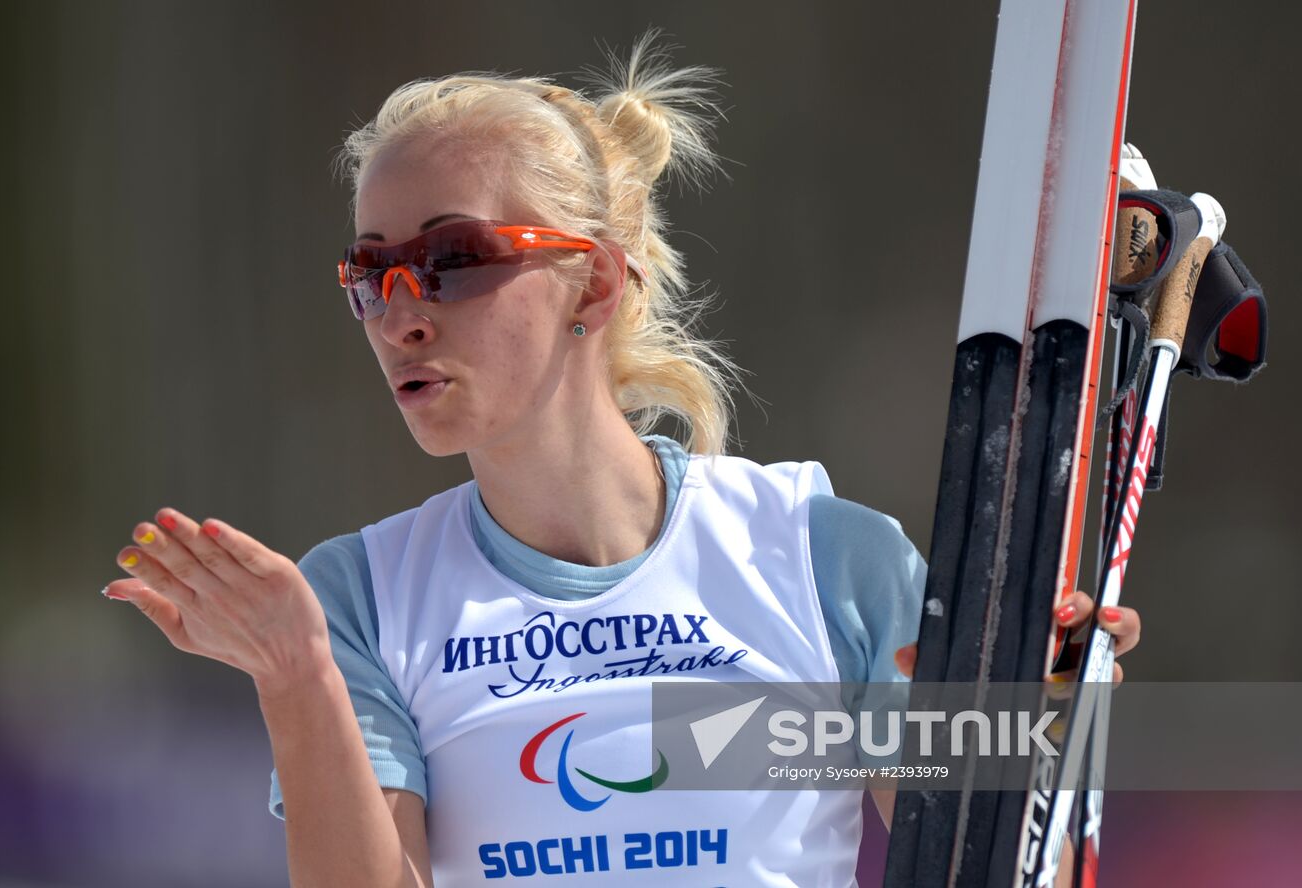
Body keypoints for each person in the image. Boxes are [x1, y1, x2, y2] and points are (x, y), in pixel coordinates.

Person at [101, 30, 1143, 888]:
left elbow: (999, 863)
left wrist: (1043, 714)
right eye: (371, 273)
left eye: (451, 260)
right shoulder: (359, 599)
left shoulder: (816, 555)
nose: (397, 316)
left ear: (594, 288)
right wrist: (294, 675)